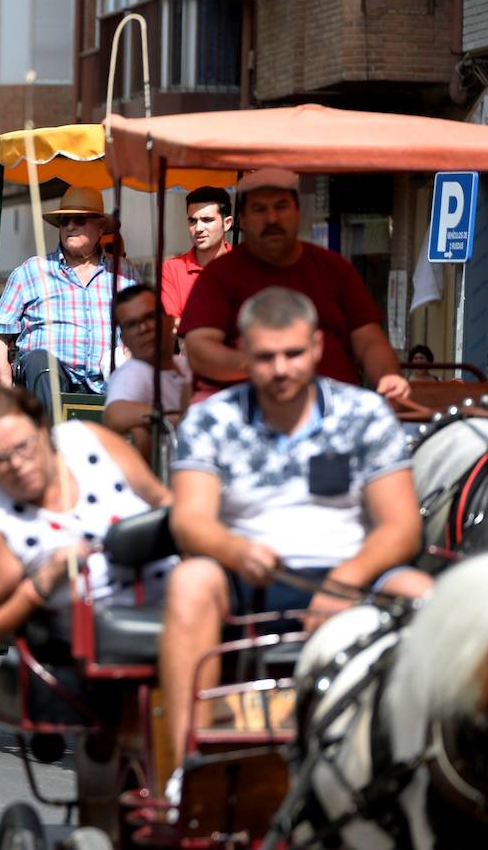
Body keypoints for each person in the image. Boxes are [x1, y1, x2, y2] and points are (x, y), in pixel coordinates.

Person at [160, 287, 432, 784]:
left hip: (351, 572)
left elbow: (401, 526)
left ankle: (422, 768)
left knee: (423, 593)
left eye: (293, 353)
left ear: (317, 347)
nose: (281, 369)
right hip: (246, 575)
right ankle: (187, 770)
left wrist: (345, 580)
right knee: (189, 581)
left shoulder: (364, 413)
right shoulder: (211, 418)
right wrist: (234, 549)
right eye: (265, 357)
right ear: (243, 353)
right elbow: (190, 520)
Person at [0, 385, 173, 643]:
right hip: (95, 639)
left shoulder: (88, 440)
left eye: (23, 446)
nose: (16, 464)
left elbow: (164, 500)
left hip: (177, 591)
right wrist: (46, 578)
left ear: (43, 431)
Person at [180, 168, 410, 403]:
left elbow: (369, 341)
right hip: (242, 411)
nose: (272, 219)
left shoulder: (334, 269)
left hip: (335, 410)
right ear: (243, 220)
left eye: (281, 206)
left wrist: (388, 376)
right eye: (260, 209)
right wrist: (263, 366)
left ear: (298, 212)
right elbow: (199, 349)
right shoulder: (218, 276)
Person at [0, 186, 141, 412]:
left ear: (100, 228)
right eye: (65, 220)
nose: (70, 226)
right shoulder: (31, 271)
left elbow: (144, 326)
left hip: (111, 383)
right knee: (41, 361)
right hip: (46, 381)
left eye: (79, 220)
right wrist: (6, 386)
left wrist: (129, 353)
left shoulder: (124, 271)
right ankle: (49, 431)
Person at [104, 285, 191, 458]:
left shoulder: (186, 365)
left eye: (150, 317)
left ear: (170, 321)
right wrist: (173, 418)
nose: (144, 328)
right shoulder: (133, 373)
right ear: (124, 339)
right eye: (132, 324)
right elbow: (115, 414)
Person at [160, 186, 233, 325]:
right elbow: (173, 325)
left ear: (227, 223)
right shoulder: (172, 269)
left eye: (207, 220)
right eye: (192, 221)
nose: (198, 228)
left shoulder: (246, 268)